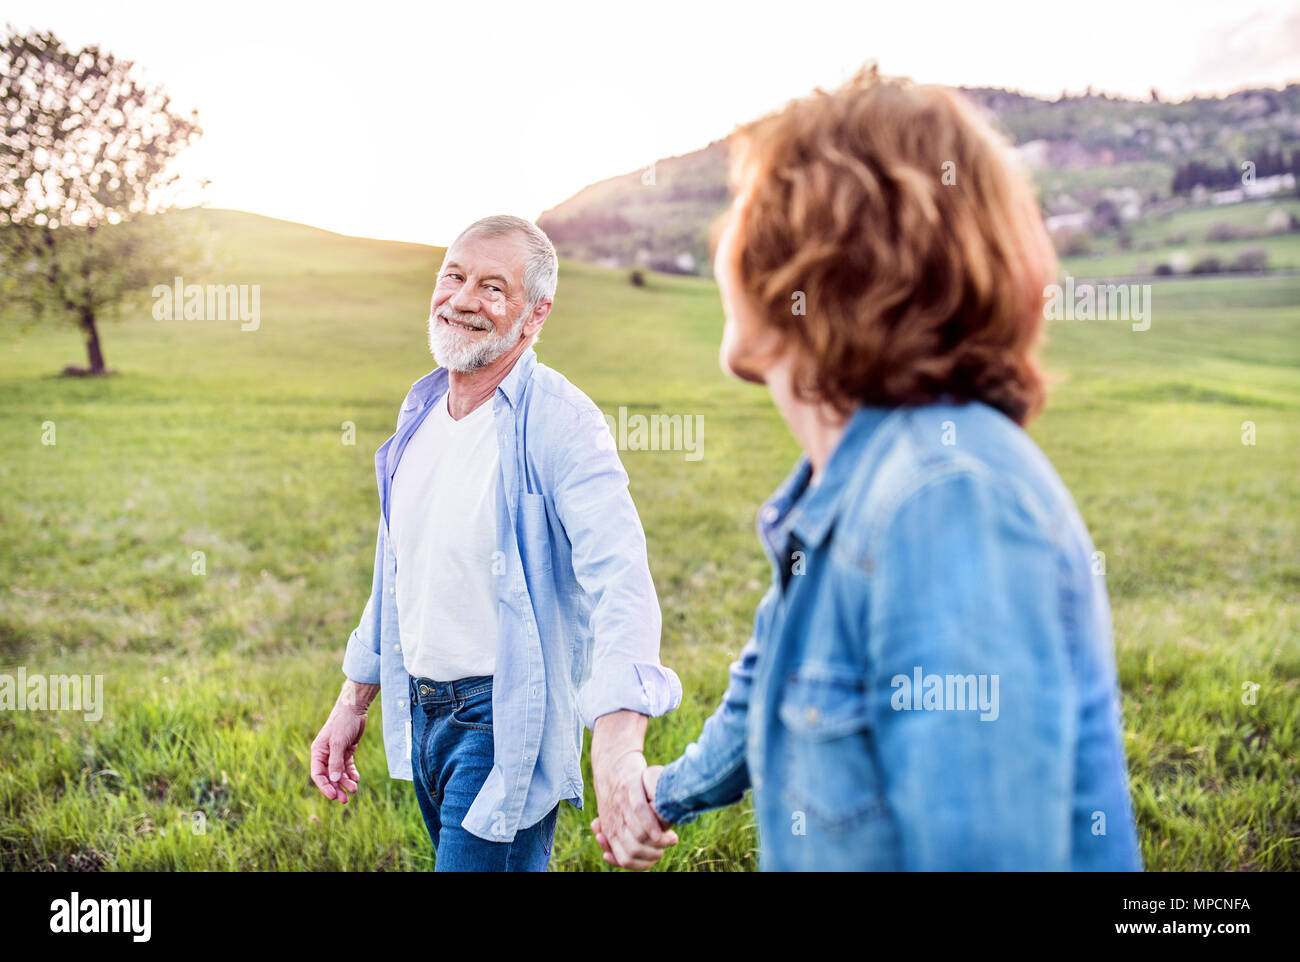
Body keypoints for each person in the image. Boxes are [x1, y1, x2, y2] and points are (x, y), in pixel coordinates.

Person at [599, 67, 1142, 871]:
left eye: (743, 207)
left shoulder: (943, 502)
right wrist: (661, 793)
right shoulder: (846, 485)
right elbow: (771, 692)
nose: (722, 237)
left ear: (814, 257)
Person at [311, 215, 681, 871]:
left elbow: (621, 581)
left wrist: (617, 746)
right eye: (453, 276)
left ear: (534, 316)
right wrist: (351, 703)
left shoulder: (562, 423)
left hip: (502, 720)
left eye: (492, 287)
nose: (461, 299)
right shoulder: (419, 414)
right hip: (423, 713)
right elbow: (398, 573)